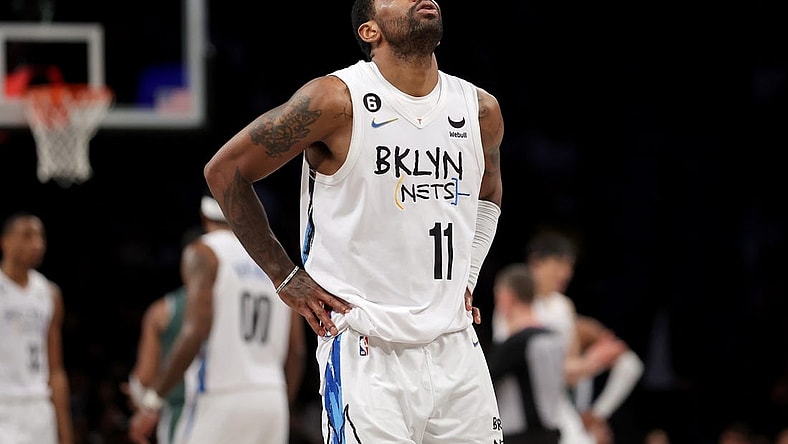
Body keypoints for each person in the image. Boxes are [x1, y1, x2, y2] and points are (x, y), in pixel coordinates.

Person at [203, 0, 505, 441]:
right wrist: (285, 277)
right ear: (370, 31)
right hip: (366, 348)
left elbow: (489, 193)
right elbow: (225, 170)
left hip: (456, 346)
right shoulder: (335, 100)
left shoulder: (479, 109)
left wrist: (470, 272)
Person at [127, 196, 306, 444]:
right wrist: (280, 404)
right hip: (271, 400)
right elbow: (296, 350)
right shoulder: (277, 259)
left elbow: (194, 331)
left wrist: (153, 401)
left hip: (220, 395)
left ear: (204, 218)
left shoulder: (204, 251)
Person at [492, 229, 643, 444]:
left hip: (556, 406)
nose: (565, 273)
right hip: (517, 408)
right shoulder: (514, 304)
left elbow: (569, 368)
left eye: (569, 266)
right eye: (559, 264)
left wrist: (596, 412)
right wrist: (591, 363)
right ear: (537, 262)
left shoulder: (563, 307)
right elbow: (515, 365)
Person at [0, 212, 74, 444]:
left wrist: (66, 433)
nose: (37, 243)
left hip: (39, 408)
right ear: (5, 241)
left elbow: (56, 369)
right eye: (27, 236)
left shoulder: (49, 294)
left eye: (40, 236)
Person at [488, 262, 565, 444]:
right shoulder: (554, 337)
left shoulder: (515, 344)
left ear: (507, 297)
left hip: (520, 435)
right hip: (552, 433)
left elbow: (483, 385)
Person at [123, 285, 187, 444]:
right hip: (243, 408)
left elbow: (144, 378)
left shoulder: (163, 311)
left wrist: (138, 394)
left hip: (183, 415)